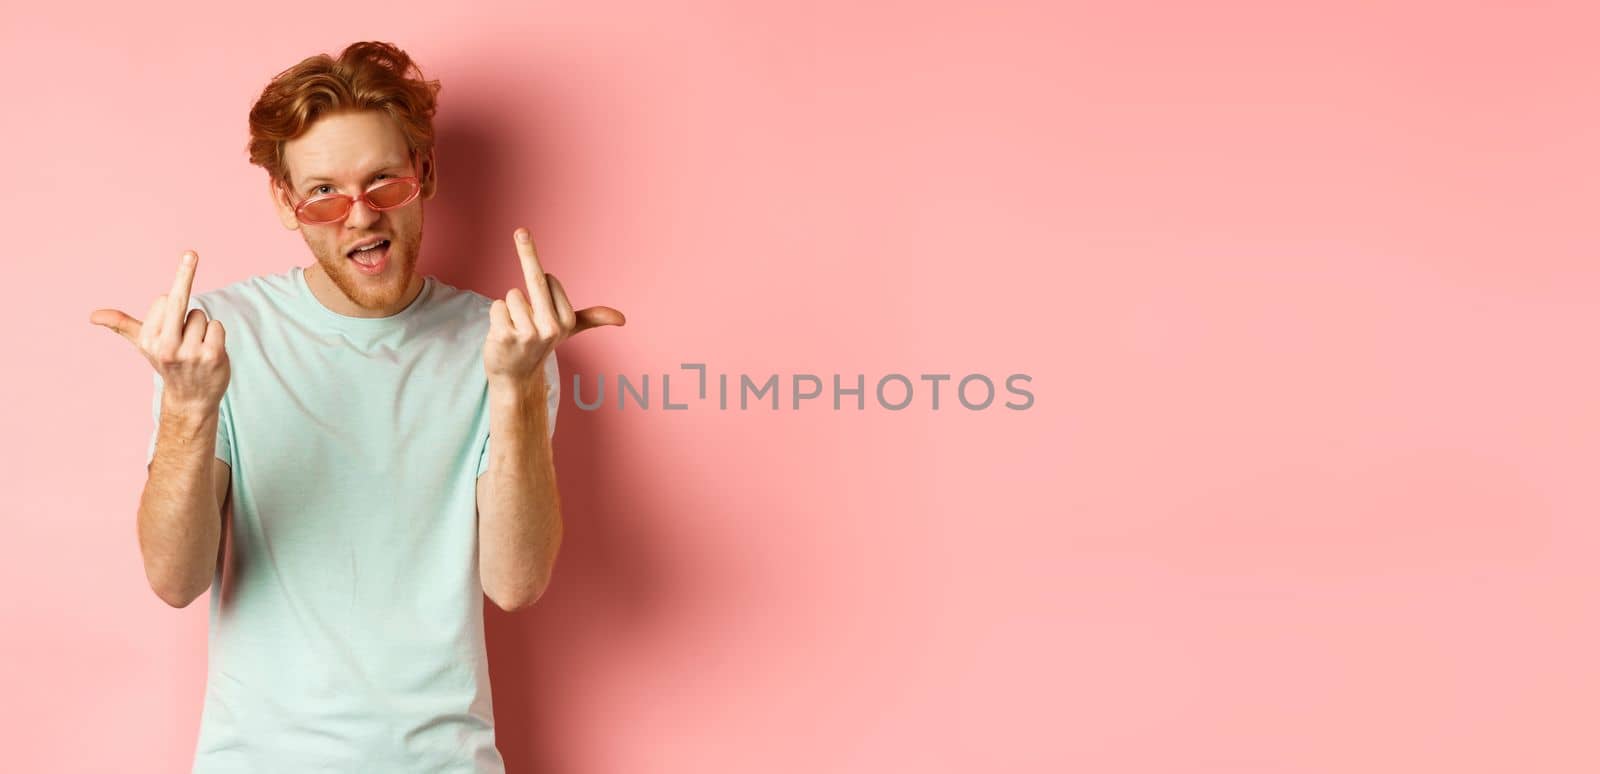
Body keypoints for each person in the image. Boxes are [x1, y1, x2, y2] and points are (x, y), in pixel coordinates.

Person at [87, 41, 624, 772]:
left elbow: (516, 583)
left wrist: (518, 388)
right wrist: (188, 406)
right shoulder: (215, 341)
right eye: (325, 193)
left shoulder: (506, 343)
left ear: (424, 174)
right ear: (286, 202)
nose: (360, 216)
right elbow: (175, 581)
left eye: (385, 183)